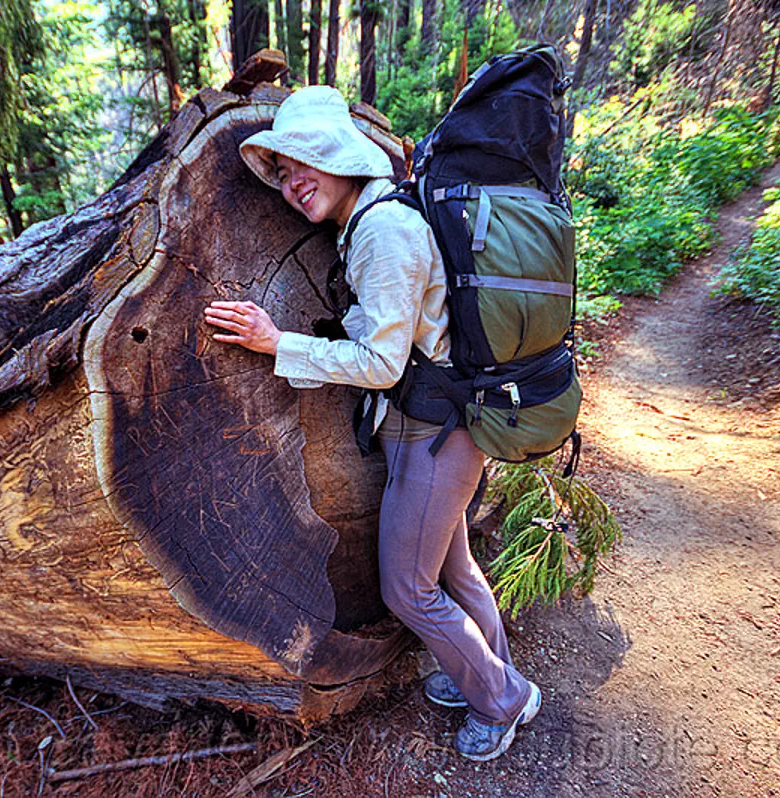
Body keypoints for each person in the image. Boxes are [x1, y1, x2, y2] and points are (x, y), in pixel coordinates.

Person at [202, 86, 541, 761]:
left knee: (408, 589)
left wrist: (277, 343)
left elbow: (382, 363)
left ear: (341, 160)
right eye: (284, 173)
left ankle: (501, 699)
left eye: (306, 165)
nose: (295, 184)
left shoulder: (383, 231)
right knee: (456, 569)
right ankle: (498, 678)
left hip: (434, 435)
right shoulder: (371, 222)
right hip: (444, 426)